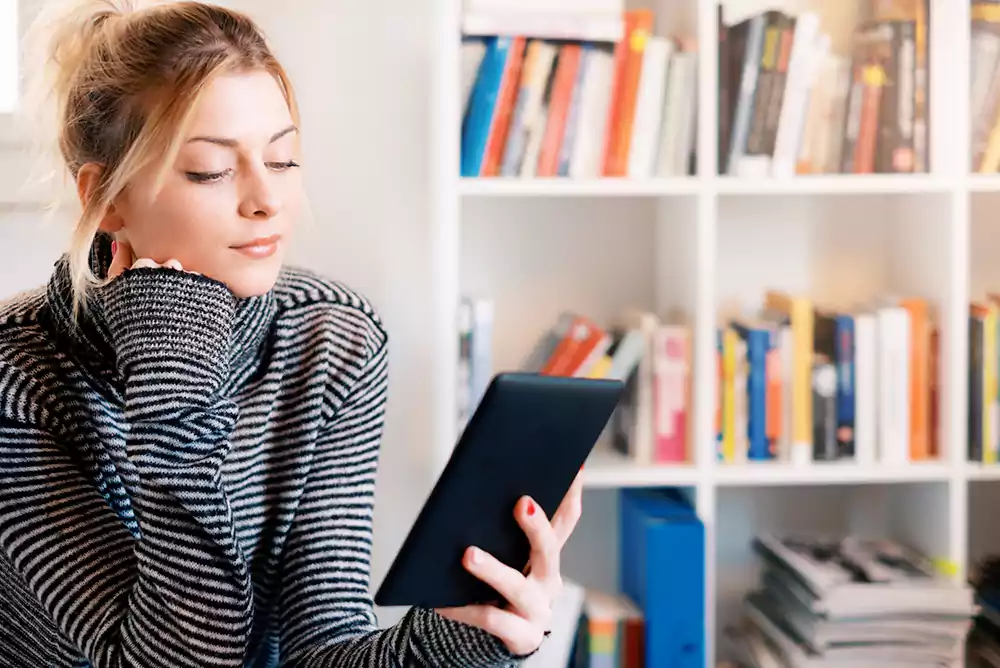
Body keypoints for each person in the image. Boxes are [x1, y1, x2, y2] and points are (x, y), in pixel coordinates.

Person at [0, 1, 585, 666]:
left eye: (282, 160)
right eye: (211, 169)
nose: (266, 200)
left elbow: (321, 646)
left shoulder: (334, 339)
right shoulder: (15, 378)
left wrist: (458, 639)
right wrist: (171, 366)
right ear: (105, 200)